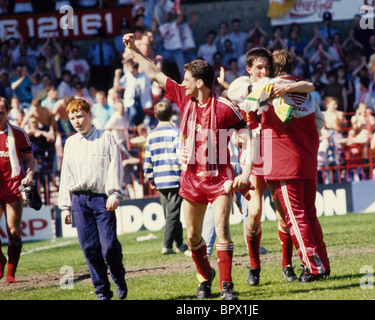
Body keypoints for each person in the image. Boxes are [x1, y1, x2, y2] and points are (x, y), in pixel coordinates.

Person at [123, 32, 254, 300]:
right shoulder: (184, 98)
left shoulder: (225, 108)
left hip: (219, 179)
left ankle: (227, 288)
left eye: (187, 79)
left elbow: (249, 138)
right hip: (191, 179)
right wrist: (135, 50)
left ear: (200, 83)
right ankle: (206, 276)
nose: (182, 84)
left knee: (222, 229)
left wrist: (245, 173)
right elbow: (155, 74)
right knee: (193, 236)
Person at [227, 47, 320, 286]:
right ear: (249, 69)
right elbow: (233, 92)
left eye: (267, 67)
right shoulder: (244, 84)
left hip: (271, 152)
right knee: (255, 213)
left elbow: (308, 86)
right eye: (259, 67)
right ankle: (254, 266)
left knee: (283, 215)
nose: (264, 71)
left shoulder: (274, 84)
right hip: (251, 155)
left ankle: (286, 265)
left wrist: (286, 86)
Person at [58, 98, 127, 300]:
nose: (76, 121)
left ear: (90, 114)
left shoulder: (106, 137)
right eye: (72, 118)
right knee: (89, 248)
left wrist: (114, 193)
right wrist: (65, 207)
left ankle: (118, 274)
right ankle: (102, 292)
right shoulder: (70, 143)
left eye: (79, 116)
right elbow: (66, 175)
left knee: (109, 246)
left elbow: (115, 167)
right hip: (79, 200)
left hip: (102, 199)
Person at [0, 97, 36, 283]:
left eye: (2, 112)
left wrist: (29, 175)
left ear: (7, 113)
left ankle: (10, 274)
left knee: (13, 231)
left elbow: (30, 159)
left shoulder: (18, 133)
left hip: (13, 185)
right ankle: (0, 259)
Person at [143, 101, 187, 255]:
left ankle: (180, 244)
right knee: (173, 215)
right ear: (172, 114)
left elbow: (147, 161)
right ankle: (166, 245)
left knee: (170, 214)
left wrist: (151, 180)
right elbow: (181, 157)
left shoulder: (150, 136)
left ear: (155, 116)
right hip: (174, 178)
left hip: (160, 180)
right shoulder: (176, 132)